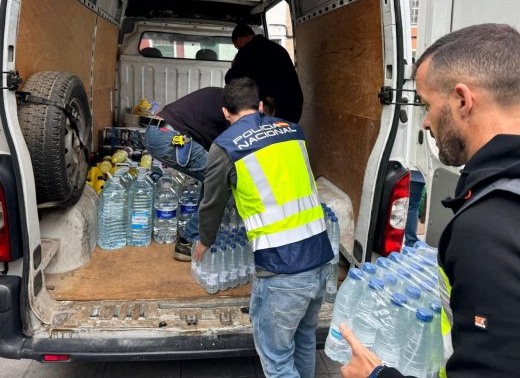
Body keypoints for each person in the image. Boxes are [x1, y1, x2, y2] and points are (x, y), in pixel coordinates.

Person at [338, 23, 520, 378]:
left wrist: (376, 376)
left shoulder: (488, 226)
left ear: (462, 101)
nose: (423, 122)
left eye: (427, 104)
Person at [193, 77, 333, 378]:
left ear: (225, 112)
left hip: (282, 269)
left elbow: (212, 201)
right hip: (320, 256)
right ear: (259, 106)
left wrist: (205, 239)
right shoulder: (293, 131)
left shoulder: (225, 147)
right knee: (305, 340)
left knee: (277, 361)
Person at [130, 87, 229, 261]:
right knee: (221, 179)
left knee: (212, 177)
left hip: (159, 132)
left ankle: (193, 238)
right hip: (171, 137)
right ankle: (188, 240)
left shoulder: (216, 95)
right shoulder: (230, 109)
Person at [225, 23, 304, 123]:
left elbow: (232, 80)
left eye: (237, 47)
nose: (238, 49)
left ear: (239, 40)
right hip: (293, 104)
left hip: (273, 108)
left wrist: (233, 65)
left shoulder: (247, 51)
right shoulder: (277, 48)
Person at [404, 170, 425, 247]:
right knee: (413, 205)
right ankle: (411, 241)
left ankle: (410, 240)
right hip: (419, 174)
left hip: (411, 171)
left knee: (410, 205)